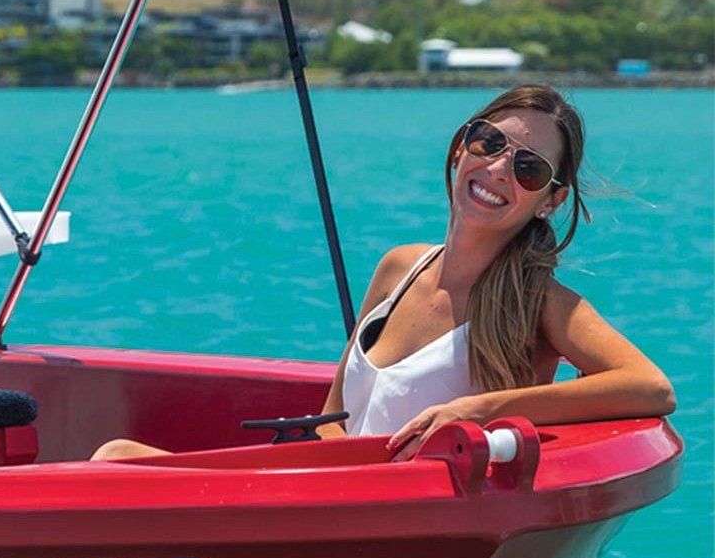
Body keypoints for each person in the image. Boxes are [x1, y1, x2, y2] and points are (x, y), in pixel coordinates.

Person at [93, 84, 673, 462]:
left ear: (549, 200)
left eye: (527, 167)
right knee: (116, 456)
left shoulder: (540, 305)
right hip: (335, 498)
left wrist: (485, 410)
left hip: (407, 525)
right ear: (459, 149)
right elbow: (333, 418)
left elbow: (651, 388)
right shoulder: (399, 266)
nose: (497, 168)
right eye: (488, 142)